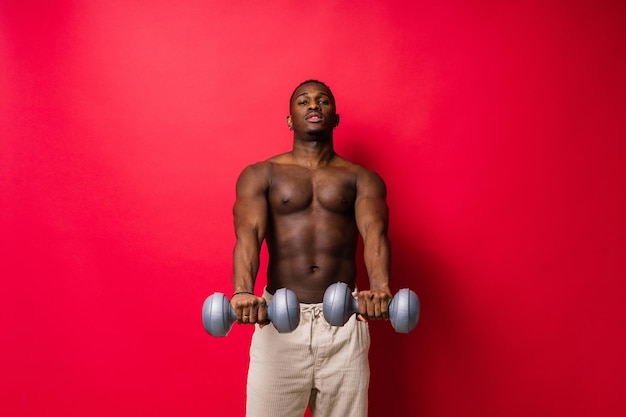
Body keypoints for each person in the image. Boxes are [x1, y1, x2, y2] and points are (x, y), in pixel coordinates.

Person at [230, 80, 392, 417]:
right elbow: (248, 234)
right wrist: (243, 291)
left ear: (336, 118)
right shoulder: (261, 174)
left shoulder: (361, 178)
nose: (313, 105)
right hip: (278, 321)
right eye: (303, 101)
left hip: (344, 321)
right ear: (290, 119)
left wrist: (380, 288)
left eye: (323, 101)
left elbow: (375, 232)